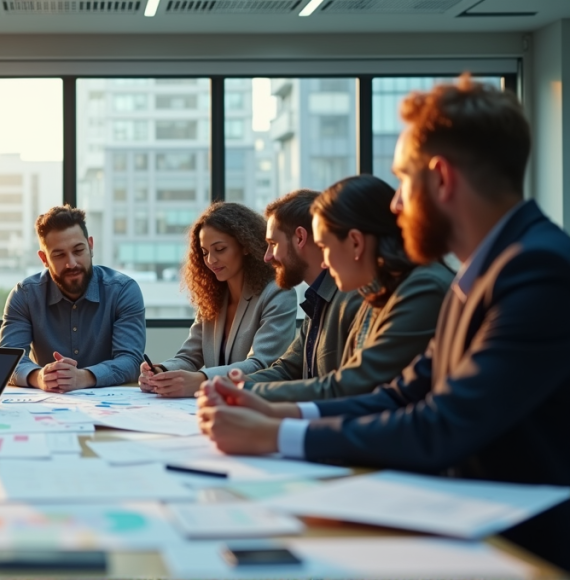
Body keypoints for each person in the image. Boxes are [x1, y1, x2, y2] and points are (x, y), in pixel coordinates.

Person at [197, 75, 570, 568]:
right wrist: (275, 413)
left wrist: (275, 436)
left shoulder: (536, 270)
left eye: (403, 181)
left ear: (441, 179)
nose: (395, 205)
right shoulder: (479, 270)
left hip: (520, 551)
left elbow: (443, 425)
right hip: (464, 526)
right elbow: (405, 393)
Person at [245, 175, 453, 402]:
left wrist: (245, 393)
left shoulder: (420, 288)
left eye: (324, 246)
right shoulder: (375, 292)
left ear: (355, 242)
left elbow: (354, 386)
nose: (323, 262)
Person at [138, 202, 296, 398]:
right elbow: (190, 356)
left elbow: (262, 365)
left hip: (255, 406)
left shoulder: (277, 293)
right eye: (204, 253)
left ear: (246, 246)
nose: (211, 260)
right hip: (213, 406)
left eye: (220, 249)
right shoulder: (213, 296)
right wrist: (161, 372)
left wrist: (201, 380)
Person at [0, 205, 145, 391]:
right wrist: (40, 377)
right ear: (44, 259)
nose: (71, 263)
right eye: (59, 255)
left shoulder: (123, 290)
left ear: (90, 246)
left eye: (78, 250)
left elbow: (131, 360)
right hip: (48, 404)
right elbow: (8, 360)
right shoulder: (25, 295)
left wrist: (83, 377)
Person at [244, 190, 363, 385]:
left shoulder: (351, 298)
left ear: (300, 238)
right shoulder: (318, 297)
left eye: (273, 244)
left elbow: (343, 388)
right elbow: (288, 369)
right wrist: (236, 386)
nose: (267, 257)